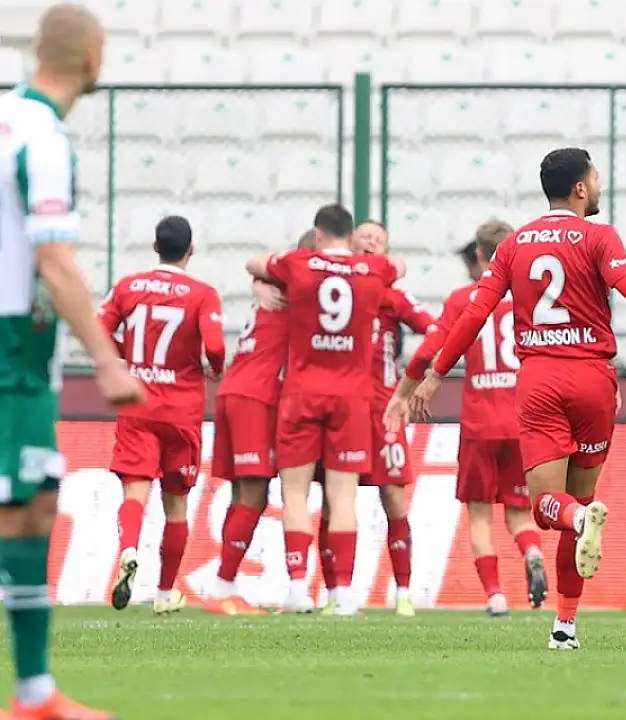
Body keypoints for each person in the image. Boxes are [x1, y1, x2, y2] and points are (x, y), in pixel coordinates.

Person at [388, 147, 626, 649]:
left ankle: (579, 527)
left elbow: (474, 314)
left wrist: (436, 375)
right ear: (581, 188)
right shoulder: (600, 237)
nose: (600, 185)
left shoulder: (514, 244)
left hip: (540, 381)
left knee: (550, 508)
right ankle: (564, 625)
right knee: (579, 500)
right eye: (596, 178)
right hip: (594, 380)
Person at [0, 5, 143, 718]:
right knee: (21, 510)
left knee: (30, 508)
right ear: (93, 58)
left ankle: (35, 693)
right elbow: (55, 262)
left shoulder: (7, 123)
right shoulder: (43, 139)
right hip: (12, 351)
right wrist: (108, 362)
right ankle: (34, 692)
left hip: (20, 351)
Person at [246, 204, 399, 615]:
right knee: (342, 496)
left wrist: (260, 282)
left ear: (317, 235)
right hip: (351, 396)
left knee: (294, 492)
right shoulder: (374, 270)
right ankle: (343, 593)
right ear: (352, 237)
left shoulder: (298, 263)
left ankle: (298, 588)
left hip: (302, 392)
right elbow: (397, 268)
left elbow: (254, 261)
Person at [396, 220, 548, 618]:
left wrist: (403, 394)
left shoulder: (464, 299)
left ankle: (495, 596)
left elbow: (428, 351)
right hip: (523, 421)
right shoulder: (534, 299)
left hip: (480, 423)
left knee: (479, 514)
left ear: (479, 253)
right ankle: (532, 552)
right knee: (519, 512)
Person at [100, 216, 225, 616]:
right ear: (191, 250)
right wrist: (214, 368)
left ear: (155, 247)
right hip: (181, 412)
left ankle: (129, 549)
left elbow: (98, 329)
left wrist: (130, 355)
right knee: (176, 506)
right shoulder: (203, 294)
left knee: (135, 493)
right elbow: (215, 346)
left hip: (137, 405)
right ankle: (166, 592)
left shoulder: (128, 286)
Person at [313, 219, 433, 617]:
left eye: (378, 240)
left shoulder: (392, 296)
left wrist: (415, 381)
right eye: (364, 237)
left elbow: (435, 331)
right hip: (337, 408)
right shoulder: (327, 290)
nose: (370, 243)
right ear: (349, 242)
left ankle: (404, 592)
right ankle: (336, 592)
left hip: (383, 410)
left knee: (393, 497)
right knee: (333, 500)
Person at [203, 230, 311, 616]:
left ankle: (224, 588)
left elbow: (255, 263)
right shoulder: (305, 291)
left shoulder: (282, 286)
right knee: (253, 492)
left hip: (236, 389)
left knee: (244, 494)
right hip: (257, 395)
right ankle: (221, 589)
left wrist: (258, 282)